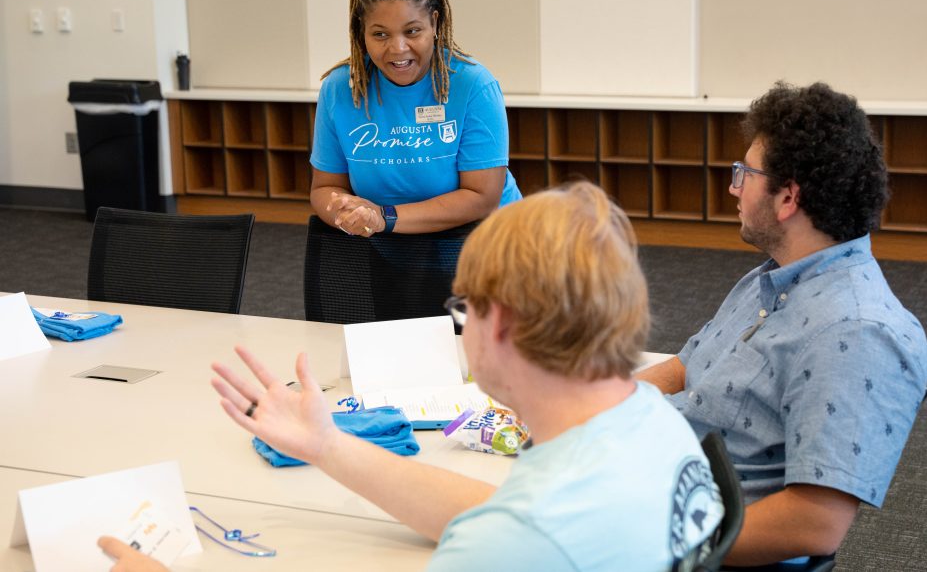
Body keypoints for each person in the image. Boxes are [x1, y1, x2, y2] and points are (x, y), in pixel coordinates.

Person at [99, 182, 723, 572]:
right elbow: (493, 511)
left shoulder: (519, 541)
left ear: (498, 324)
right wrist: (327, 445)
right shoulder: (651, 423)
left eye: (464, 308)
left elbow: (508, 532)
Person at [638, 81, 927, 566]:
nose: (733, 186)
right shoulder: (772, 278)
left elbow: (814, 525)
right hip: (648, 479)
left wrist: (660, 540)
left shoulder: (857, 332)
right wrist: (598, 412)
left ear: (788, 197)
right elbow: (687, 366)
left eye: (744, 174)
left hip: (688, 540)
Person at [310, 0, 521, 238]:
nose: (398, 48)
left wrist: (383, 216)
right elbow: (325, 187)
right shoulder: (340, 88)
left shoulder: (473, 85)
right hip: (390, 245)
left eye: (412, 31)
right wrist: (346, 211)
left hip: (485, 245)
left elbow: (481, 196)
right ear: (363, 33)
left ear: (433, 23)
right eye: (380, 34)